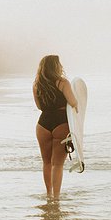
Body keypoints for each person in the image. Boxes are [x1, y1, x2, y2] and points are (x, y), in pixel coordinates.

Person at [33, 55, 77, 198]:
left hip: (43, 124)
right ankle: (56, 197)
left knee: (46, 163)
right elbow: (73, 102)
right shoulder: (63, 82)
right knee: (57, 164)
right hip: (61, 123)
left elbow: (40, 107)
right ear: (56, 67)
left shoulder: (36, 85)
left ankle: (49, 194)